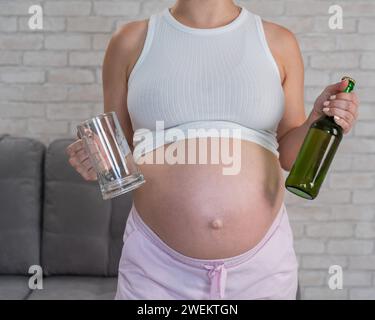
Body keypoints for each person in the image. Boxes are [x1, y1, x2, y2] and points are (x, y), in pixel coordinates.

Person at [66, 0, 359, 299]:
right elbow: (117, 154)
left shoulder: (279, 42)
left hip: (260, 270)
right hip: (156, 271)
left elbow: (290, 156)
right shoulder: (130, 41)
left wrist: (317, 120)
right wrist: (94, 158)